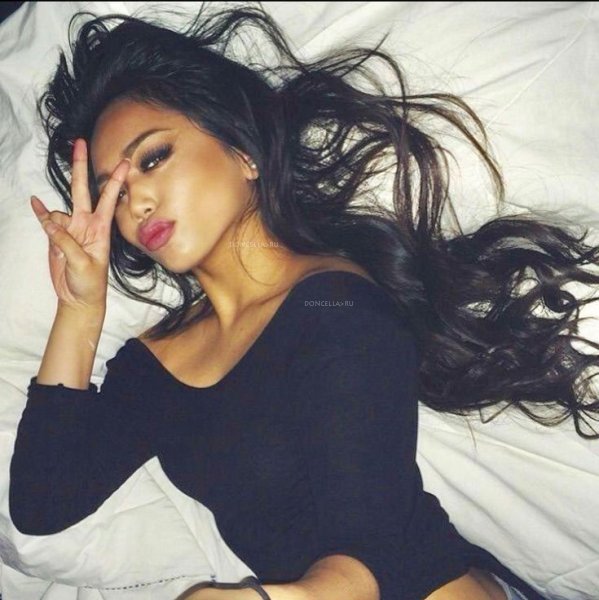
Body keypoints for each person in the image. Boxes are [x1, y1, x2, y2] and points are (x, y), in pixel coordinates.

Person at [8, 4, 599, 600]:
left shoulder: (334, 307)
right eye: (114, 192)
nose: (136, 202)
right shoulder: (153, 363)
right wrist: (79, 311)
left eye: (154, 158)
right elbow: (44, 500)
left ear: (243, 152)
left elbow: (377, 544)